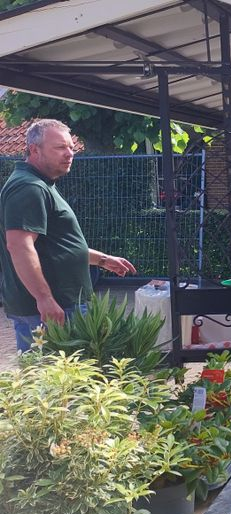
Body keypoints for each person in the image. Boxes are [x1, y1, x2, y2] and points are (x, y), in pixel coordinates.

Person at [0, 119, 136, 351]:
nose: (69, 153)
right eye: (60, 147)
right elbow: (20, 246)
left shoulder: (40, 184)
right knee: (53, 382)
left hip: (56, 306)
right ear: (34, 149)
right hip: (51, 310)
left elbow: (58, 246)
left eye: (71, 148)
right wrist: (45, 299)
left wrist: (102, 260)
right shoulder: (29, 187)